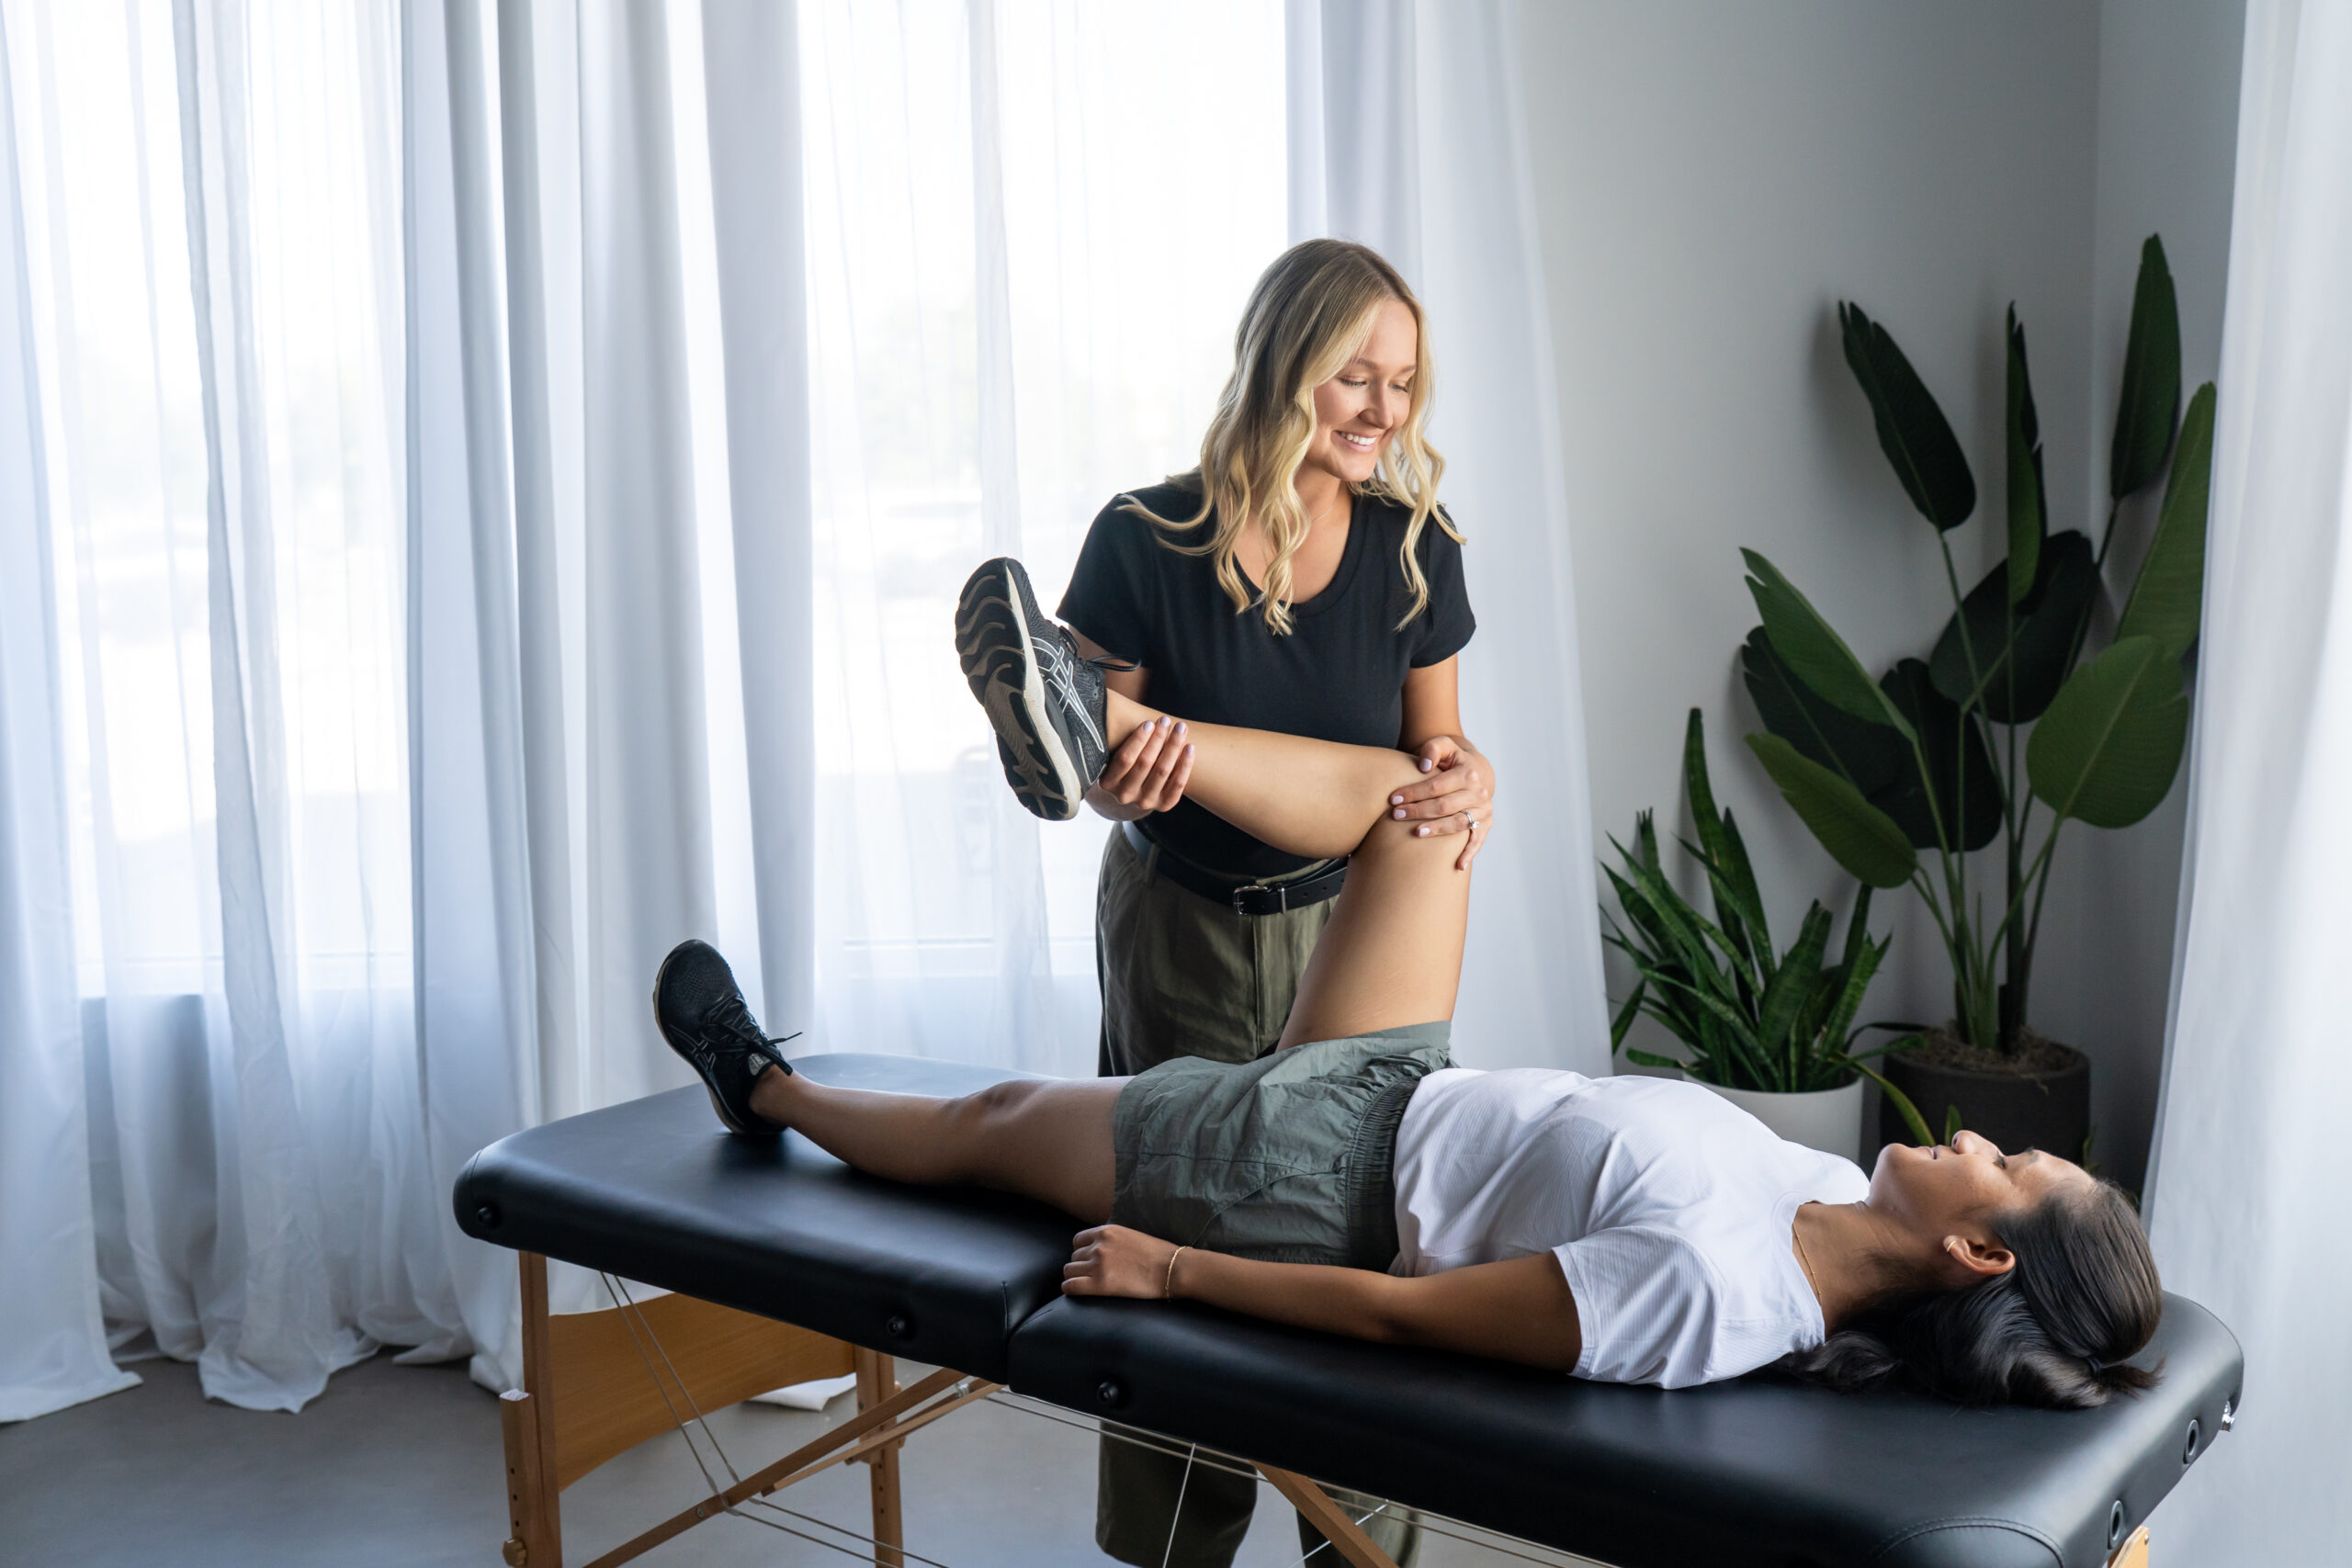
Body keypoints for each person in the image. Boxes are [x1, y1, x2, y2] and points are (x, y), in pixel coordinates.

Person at [659, 558, 2165, 1432]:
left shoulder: (1722, 1289)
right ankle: (1096, 719)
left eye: (2010, 1164)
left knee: (995, 1120)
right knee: (1429, 798)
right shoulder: (1829, 1184)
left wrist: (1177, 1277)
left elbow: (1412, 1317)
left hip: (1315, 1181)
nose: (1981, 1134)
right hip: (1406, 1083)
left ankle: (763, 1086)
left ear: (1976, 1247)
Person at [1051, 237, 1486, 1566]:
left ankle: (1361, 1549)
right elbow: (1088, 781)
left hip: (1344, 934)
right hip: (1177, 919)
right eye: (1354, 375)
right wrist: (1110, 773)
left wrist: (1470, 776)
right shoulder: (1142, 537)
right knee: (1165, 1214)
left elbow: (1434, 756)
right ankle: (1171, 1549)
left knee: (1354, 1230)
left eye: (1402, 384)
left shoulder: (1416, 547)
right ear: (1282, 367)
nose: (1382, 410)